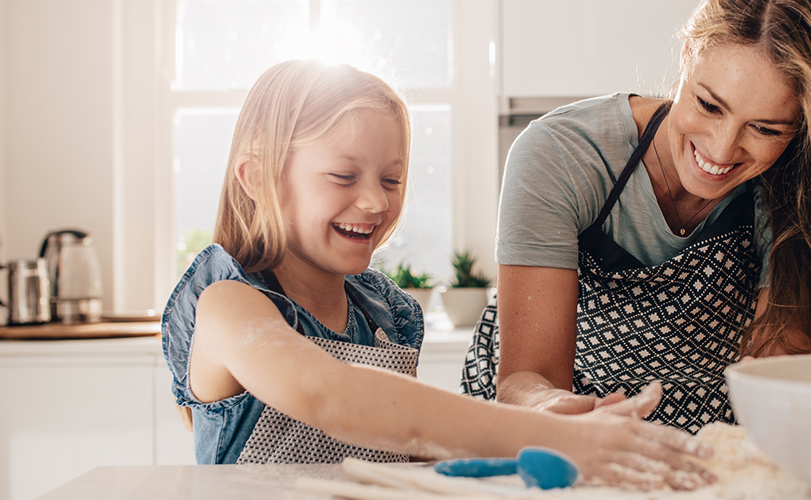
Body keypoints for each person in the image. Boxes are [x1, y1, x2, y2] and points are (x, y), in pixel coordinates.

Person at [161, 59, 715, 490]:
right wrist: (554, 435)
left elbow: (402, 447)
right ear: (256, 177)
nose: (375, 201)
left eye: (393, 179)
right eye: (343, 175)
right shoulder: (227, 304)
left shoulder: (385, 317)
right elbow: (327, 395)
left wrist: (539, 432)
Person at [462, 0, 811, 433]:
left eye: (765, 128)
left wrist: (786, 392)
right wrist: (552, 411)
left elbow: (782, 361)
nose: (721, 148)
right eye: (709, 105)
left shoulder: (797, 186)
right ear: (688, 54)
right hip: (534, 426)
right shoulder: (563, 154)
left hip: (705, 434)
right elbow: (530, 376)